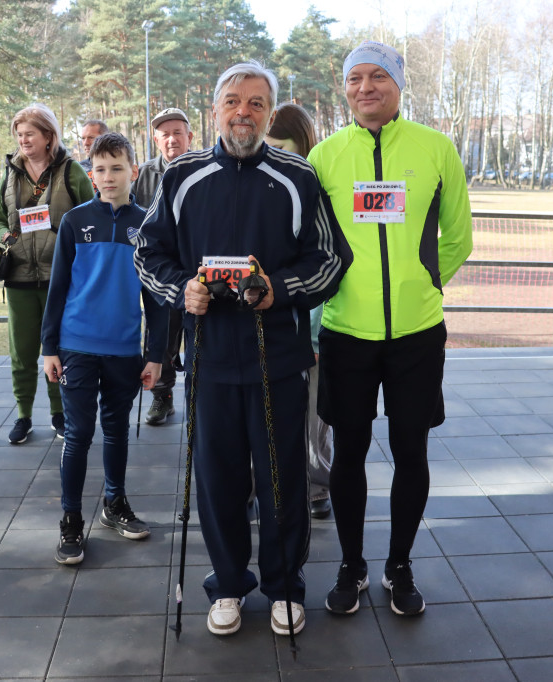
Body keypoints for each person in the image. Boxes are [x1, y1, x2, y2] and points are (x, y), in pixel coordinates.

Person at [135, 61, 343, 637]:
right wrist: (183, 291)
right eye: (233, 100)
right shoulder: (181, 177)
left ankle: (284, 587)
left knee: (282, 482)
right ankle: (227, 585)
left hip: (278, 360)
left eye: (256, 102)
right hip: (209, 361)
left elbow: (329, 260)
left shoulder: (299, 178)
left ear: (270, 113)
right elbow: (147, 256)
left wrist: (279, 290)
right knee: (219, 482)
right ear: (216, 108)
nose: (243, 112)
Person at [308, 41, 473, 617]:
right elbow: (313, 242)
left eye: (378, 76)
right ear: (345, 90)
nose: (366, 88)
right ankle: (351, 565)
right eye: (355, 78)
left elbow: (458, 235)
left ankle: (398, 563)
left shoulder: (434, 149)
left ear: (399, 85)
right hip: (346, 332)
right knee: (348, 452)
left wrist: (426, 280)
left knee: (411, 451)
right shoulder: (325, 156)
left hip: (417, 333)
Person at [42, 132, 167, 565]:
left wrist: (155, 354)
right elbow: (57, 288)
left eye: (117, 168)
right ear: (90, 175)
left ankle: (115, 505)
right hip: (76, 346)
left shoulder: (148, 223)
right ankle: (71, 519)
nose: (109, 177)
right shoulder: (75, 222)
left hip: (124, 350)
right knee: (78, 434)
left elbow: (156, 295)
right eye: (100, 169)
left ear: (134, 171)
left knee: (116, 431)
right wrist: (49, 347)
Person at [0, 104, 94, 444]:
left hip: (59, 279)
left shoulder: (70, 171)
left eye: (29, 133)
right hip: (18, 278)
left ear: (49, 136)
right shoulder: (9, 174)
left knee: (57, 350)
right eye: (19, 134)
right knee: (21, 352)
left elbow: (91, 215)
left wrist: (67, 238)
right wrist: (4, 235)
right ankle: (23, 415)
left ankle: (58, 413)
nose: (23, 140)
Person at [265, 102, 332, 520]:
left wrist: (319, 331)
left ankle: (317, 485)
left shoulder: (318, 193)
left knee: (314, 416)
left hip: (313, 330)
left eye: (282, 147)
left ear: (304, 145)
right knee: (266, 414)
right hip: (269, 327)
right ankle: (261, 484)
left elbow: (326, 265)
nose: (274, 156)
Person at [135, 107, 195, 426]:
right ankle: (162, 396)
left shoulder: (204, 169)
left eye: (177, 132)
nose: (171, 138)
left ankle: (202, 398)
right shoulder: (145, 174)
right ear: (155, 139)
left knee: (201, 338)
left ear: (190, 136)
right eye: (164, 133)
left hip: (199, 273)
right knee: (162, 336)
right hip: (161, 275)